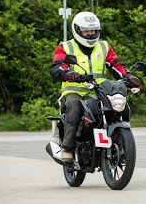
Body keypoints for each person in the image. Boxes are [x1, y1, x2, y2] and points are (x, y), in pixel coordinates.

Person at [49, 11, 140, 163]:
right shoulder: (65, 47)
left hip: (99, 91)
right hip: (75, 92)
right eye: (86, 31)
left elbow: (116, 65)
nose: (91, 34)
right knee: (75, 106)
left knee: (120, 106)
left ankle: (122, 144)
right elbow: (56, 68)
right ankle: (67, 148)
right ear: (77, 30)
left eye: (93, 31)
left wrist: (128, 76)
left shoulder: (104, 46)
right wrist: (68, 74)